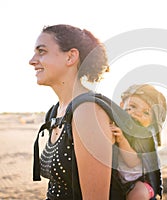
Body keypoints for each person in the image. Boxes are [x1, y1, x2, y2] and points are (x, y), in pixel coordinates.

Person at [29, 24, 112, 200]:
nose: (32, 60)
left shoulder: (87, 112)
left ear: (71, 57)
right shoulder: (55, 112)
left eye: (41, 51)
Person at [110, 84, 167, 200]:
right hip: (118, 182)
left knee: (139, 194)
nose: (138, 113)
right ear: (121, 106)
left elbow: (132, 162)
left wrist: (121, 140)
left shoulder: (144, 137)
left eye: (146, 113)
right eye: (132, 106)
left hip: (141, 182)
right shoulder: (115, 123)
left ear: (152, 122)